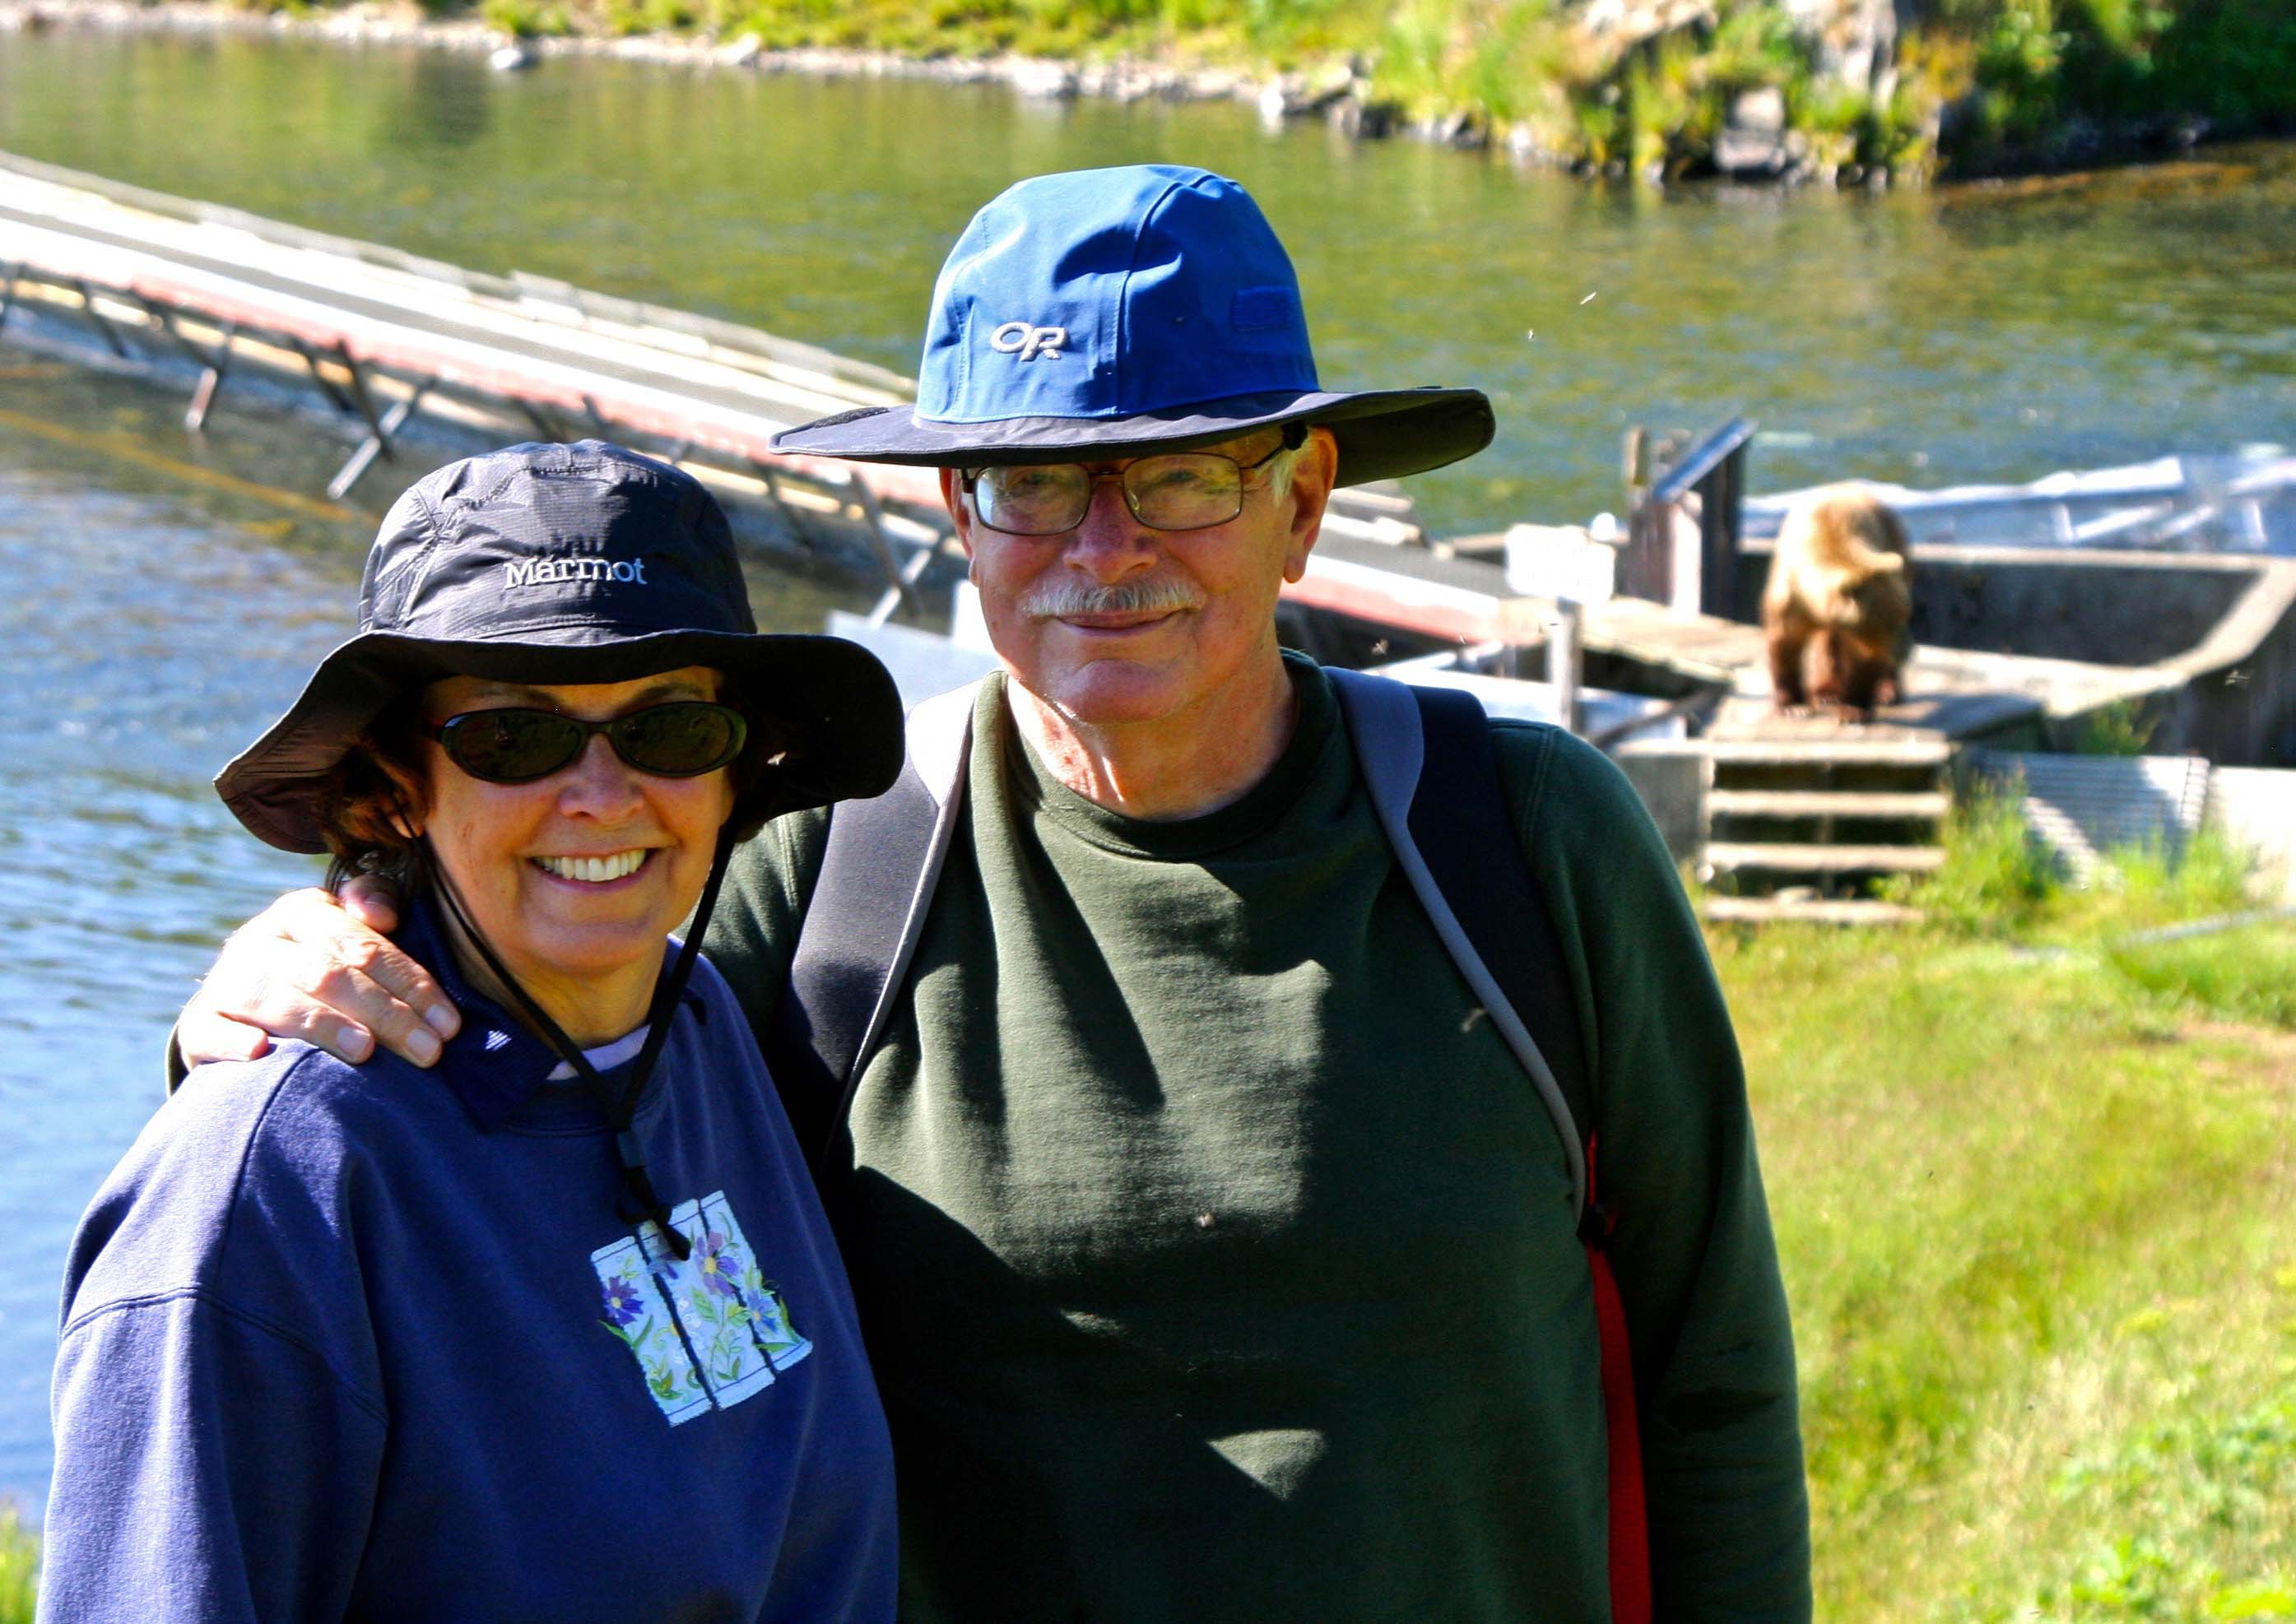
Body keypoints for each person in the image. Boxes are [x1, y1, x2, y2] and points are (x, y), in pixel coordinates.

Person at [176, 168, 1812, 1619]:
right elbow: (538, 1154)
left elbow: (1716, 1382)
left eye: (1181, 476)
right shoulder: (826, 874)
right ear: (956, 510)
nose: (1104, 548)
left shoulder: (1525, 841)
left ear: (1304, 500)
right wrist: (270, 1016)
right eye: (1031, 483)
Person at [49, 442, 904, 1621]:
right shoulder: (272, 1190)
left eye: (667, 730)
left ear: (733, 769)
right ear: (397, 787)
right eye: (514, 738)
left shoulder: (696, 1022)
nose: (601, 795)